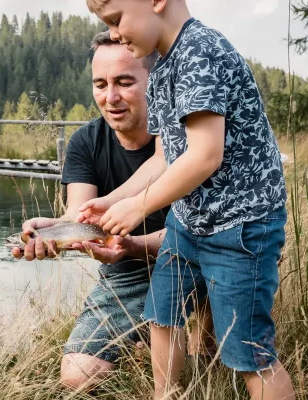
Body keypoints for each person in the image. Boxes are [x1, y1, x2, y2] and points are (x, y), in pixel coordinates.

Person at [79, 1, 296, 399]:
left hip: (240, 226)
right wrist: (112, 200)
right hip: (191, 221)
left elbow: (204, 155)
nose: (113, 33)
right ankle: (166, 395)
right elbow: (166, 158)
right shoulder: (160, 66)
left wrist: (140, 206)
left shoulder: (201, 51)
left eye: (116, 20)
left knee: (248, 353)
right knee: (162, 315)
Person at [12, 31, 214, 391]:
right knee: (77, 375)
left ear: (155, 80)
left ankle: (198, 339)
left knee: (208, 361)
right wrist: (53, 230)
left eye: (124, 82)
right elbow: (81, 215)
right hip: (126, 275)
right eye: (100, 84)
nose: (111, 97)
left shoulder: (188, 135)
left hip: (198, 259)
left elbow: (202, 230)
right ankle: (146, 339)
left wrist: (134, 243)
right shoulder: (85, 142)